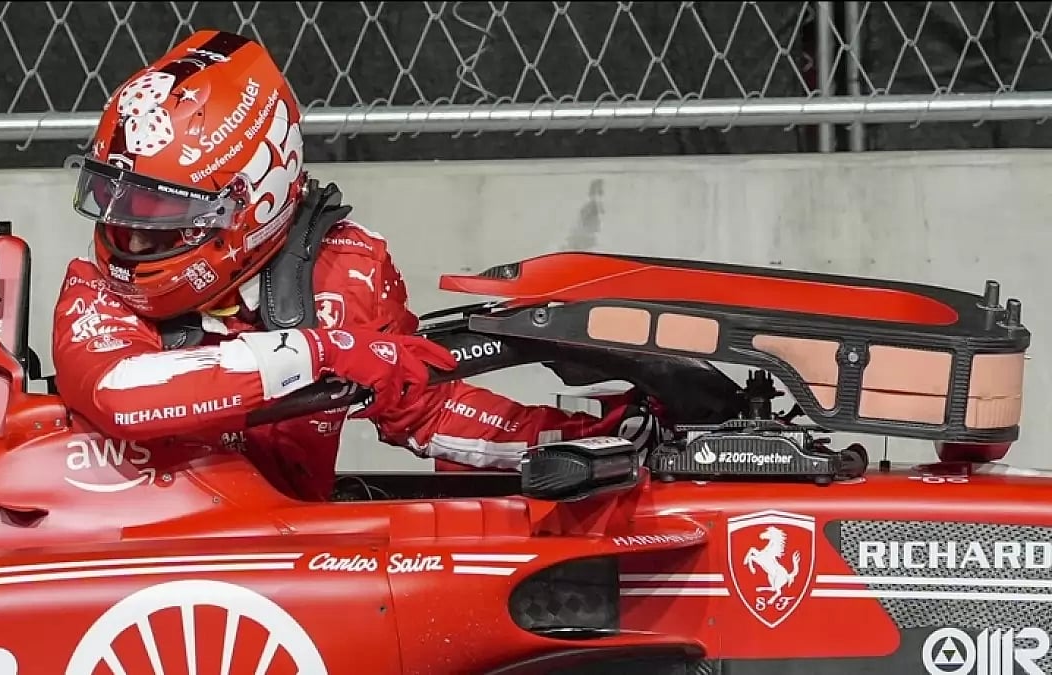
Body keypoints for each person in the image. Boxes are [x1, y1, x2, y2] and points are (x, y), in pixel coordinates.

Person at [51, 29, 659, 501]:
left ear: (256, 197)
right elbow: (120, 396)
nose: (128, 235)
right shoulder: (97, 286)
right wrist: (321, 352)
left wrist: (585, 439)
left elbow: (426, 407)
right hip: (126, 551)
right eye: (116, 201)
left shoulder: (349, 269)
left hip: (277, 559)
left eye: (159, 211)